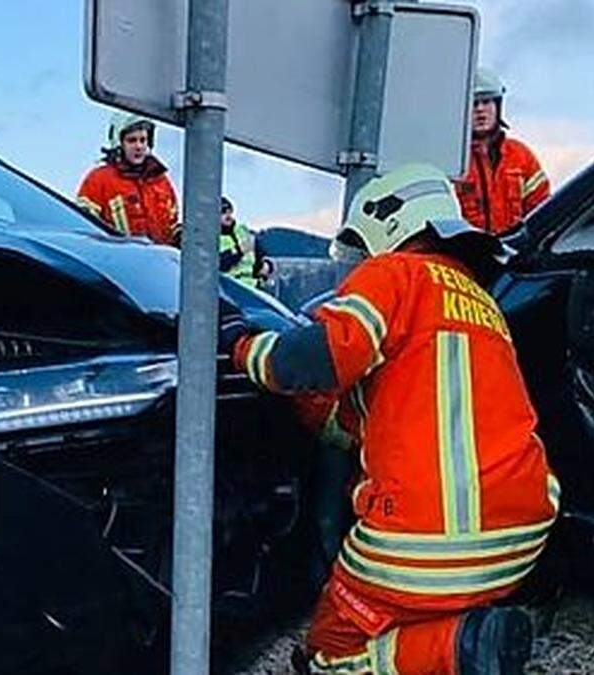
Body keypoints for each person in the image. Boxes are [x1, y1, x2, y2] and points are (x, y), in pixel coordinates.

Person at [223, 164, 560, 674]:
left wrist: (240, 344)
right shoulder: (481, 302)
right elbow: (365, 419)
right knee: (414, 603)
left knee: (329, 651)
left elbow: (312, 359)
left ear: (392, 224)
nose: (360, 264)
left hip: (423, 544)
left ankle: (460, 647)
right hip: (523, 530)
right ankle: (459, 629)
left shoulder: (397, 273)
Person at [454, 68, 550, 236]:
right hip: (465, 256)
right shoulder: (452, 160)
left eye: (486, 102)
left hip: (513, 255)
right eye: (473, 103)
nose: (480, 109)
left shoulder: (522, 157)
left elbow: (542, 211)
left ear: (498, 106)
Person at [77, 112, 180, 245]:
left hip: (161, 261)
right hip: (119, 261)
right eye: (132, 140)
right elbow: (84, 227)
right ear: (119, 143)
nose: (139, 146)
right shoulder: (98, 180)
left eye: (143, 140)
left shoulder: (160, 181)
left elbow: (172, 224)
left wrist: (181, 236)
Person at [220, 196, 261, 286]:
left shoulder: (242, 230)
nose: (228, 215)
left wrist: (266, 265)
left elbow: (258, 253)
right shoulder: (210, 237)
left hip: (252, 285)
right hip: (230, 287)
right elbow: (217, 263)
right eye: (223, 212)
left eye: (230, 211)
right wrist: (238, 251)